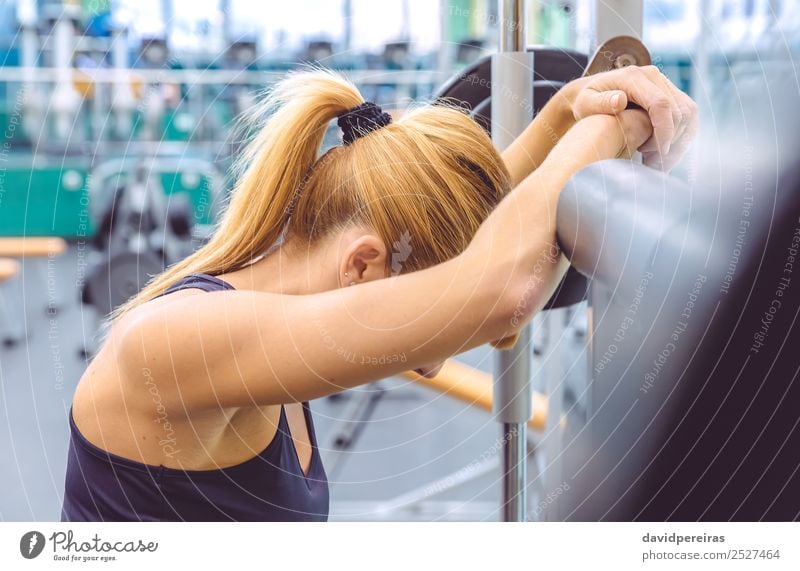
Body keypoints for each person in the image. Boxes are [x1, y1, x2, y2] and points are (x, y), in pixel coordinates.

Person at [62, 65, 696, 521]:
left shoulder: (278, 310)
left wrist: (563, 112)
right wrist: (609, 129)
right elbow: (496, 288)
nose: (430, 359)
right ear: (363, 265)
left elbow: (460, 229)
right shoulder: (177, 342)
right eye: (421, 301)